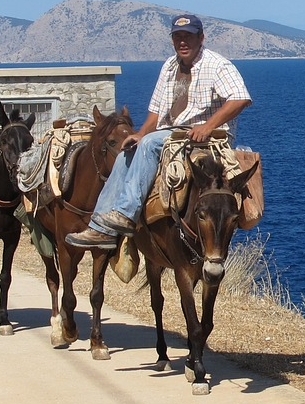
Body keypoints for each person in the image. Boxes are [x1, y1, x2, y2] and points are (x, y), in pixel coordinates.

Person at [66, 14, 252, 248]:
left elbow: (240, 98)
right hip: (171, 133)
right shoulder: (169, 66)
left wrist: (207, 126)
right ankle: (101, 228)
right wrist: (141, 133)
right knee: (129, 149)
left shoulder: (218, 65)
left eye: (188, 36)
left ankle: (126, 213)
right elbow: (156, 111)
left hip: (203, 137)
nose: (183, 42)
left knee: (149, 144)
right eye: (177, 37)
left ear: (201, 37)